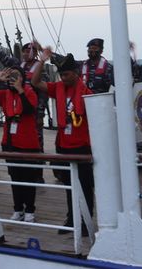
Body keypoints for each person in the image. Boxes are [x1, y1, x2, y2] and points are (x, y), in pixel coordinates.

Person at [32, 49, 93, 235]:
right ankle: (71, 219)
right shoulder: (58, 87)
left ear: (75, 73)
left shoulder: (86, 92)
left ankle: (85, 222)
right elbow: (35, 82)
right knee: (69, 186)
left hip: (82, 147)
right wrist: (41, 62)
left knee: (84, 187)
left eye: (66, 74)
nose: (64, 78)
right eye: (61, 75)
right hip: (63, 145)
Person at [0, 66, 42, 223]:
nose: (13, 79)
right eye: (11, 77)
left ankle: (30, 210)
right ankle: (18, 208)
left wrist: (20, 89)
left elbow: (28, 109)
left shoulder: (28, 91)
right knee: (15, 177)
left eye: (16, 76)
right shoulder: (5, 94)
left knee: (28, 178)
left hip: (27, 142)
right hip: (10, 142)